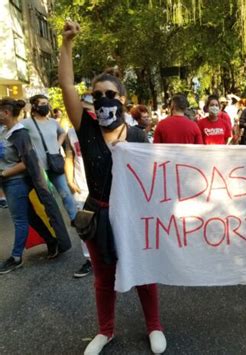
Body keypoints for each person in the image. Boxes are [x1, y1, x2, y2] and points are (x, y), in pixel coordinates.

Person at [59, 20, 166, 355]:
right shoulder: (86, 128)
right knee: (103, 278)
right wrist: (66, 44)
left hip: (132, 216)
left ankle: (154, 326)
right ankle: (105, 330)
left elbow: (153, 180)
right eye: (97, 94)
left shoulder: (136, 136)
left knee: (143, 274)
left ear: (122, 99)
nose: (103, 99)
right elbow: (66, 88)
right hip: (99, 215)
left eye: (110, 95)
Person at [0, 98, 70, 273]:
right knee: (30, 217)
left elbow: (26, 162)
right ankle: (51, 241)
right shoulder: (4, 131)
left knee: (20, 220)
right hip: (8, 183)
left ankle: (16, 257)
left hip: (15, 182)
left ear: (6, 113)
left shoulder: (20, 134)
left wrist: (4, 173)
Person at [22, 94, 78, 223]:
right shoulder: (27, 123)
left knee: (66, 194)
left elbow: (63, 132)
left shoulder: (53, 122)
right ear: (34, 106)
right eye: (42, 103)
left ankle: (75, 219)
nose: (46, 106)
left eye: (47, 103)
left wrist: (57, 144)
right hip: (39, 168)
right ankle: (55, 224)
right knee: (48, 199)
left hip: (56, 165)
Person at [66, 94, 94, 278]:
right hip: (81, 187)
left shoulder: (105, 129)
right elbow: (69, 156)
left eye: (89, 109)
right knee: (83, 224)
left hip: (105, 188)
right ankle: (89, 259)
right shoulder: (71, 132)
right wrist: (70, 179)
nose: (84, 113)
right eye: (81, 109)